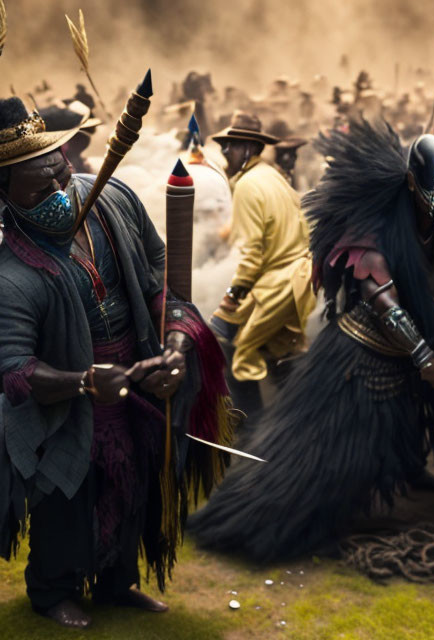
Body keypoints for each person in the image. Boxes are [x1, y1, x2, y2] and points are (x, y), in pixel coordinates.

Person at [188, 117, 434, 562]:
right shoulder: (374, 224)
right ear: (411, 183)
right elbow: (382, 298)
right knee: (342, 449)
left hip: (427, 338)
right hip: (366, 351)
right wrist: (421, 355)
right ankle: (296, 511)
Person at [0, 97, 231, 628]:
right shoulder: (10, 267)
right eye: (39, 189)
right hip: (67, 405)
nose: (61, 194)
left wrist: (175, 341)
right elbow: (14, 368)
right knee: (67, 497)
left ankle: (117, 582)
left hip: (137, 375)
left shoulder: (112, 198)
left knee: (135, 484)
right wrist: (82, 381)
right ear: (5, 193)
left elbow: (156, 271)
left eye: (59, 172)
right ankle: (52, 590)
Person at [209, 112, 317, 423]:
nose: (224, 152)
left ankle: (254, 430)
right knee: (283, 357)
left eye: (229, 146)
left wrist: (230, 298)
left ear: (247, 148)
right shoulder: (273, 178)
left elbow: (251, 255)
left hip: (276, 284)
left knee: (228, 345)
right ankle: (305, 425)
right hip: (297, 281)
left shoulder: (248, 185)